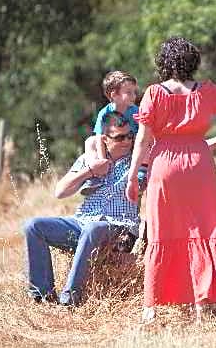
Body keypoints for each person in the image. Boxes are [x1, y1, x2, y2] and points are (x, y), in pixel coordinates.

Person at [125, 36, 216, 322]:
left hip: (164, 168)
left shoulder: (154, 94)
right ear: (193, 62)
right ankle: (202, 301)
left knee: (163, 232)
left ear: (164, 63)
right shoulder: (207, 92)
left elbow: (142, 140)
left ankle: (154, 306)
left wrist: (132, 175)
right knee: (203, 230)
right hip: (200, 167)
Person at [24, 111, 140, 306]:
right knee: (33, 226)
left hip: (118, 227)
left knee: (94, 228)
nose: (127, 141)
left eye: (130, 136)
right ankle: (42, 295)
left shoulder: (137, 162)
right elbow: (60, 192)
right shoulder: (90, 159)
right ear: (105, 139)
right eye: (120, 137)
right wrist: (91, 171)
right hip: (82, 222)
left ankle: (70, 299)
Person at [80, 71, 140, 196]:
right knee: (90, 141)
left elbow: (143, 135)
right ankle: (95, 175)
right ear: (114, 95)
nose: (134, 96)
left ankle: (141, 174)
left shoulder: (136, 112)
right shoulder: (104, 113)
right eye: (129, 93)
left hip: (131, 147)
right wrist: (103, 161)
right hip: (111, 149)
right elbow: (99, 138)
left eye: (134, 92)